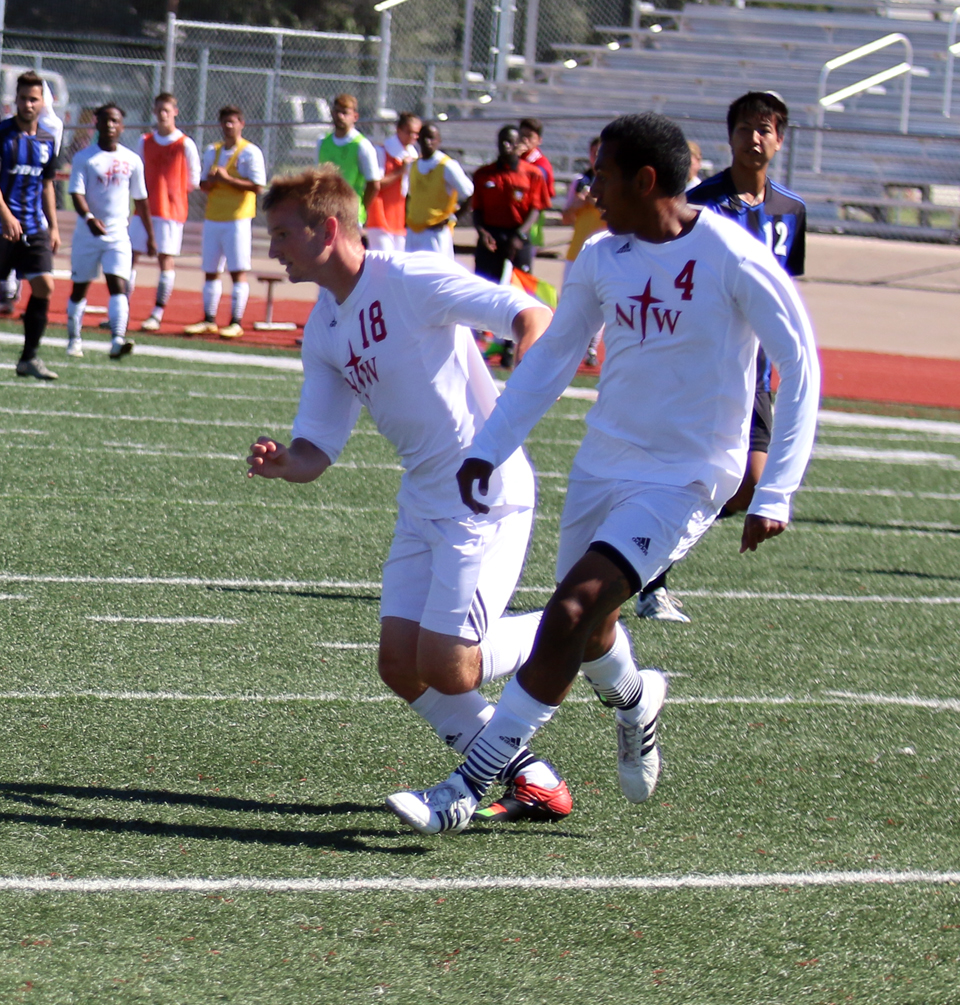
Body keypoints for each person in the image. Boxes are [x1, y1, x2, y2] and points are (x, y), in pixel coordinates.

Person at [385, 111, 820, 834]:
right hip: (602, 464)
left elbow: (801, 365)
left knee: (573, 611)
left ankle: (465, 786)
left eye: (602, 175)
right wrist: (489, 447)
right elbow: (555, 356)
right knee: (587, 632)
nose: (590, 189)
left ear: (646, 180)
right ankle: (636, 700)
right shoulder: (599, 254)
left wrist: (777, 487)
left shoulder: (731, 257)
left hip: (686, 477)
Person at [248, 168, 569, 823]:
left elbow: (531, 315)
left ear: (327, 229)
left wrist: (516, 400)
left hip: (486, 492)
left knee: (449, 668)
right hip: (424, 499)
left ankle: (581, 623)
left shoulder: (409, 278)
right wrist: (285, 462)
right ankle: (531, 777)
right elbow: (317, 450)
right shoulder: (325, 327)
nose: (273, 248)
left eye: (281, 233)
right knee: (400, 664)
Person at [634, 90, 809, 624]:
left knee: (748, 483)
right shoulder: (701, 202)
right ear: (729, 135)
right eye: (745, 129)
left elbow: (787, 290)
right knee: (688, 470)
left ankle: (644, 561)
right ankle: (648, 581)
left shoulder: (791, 211)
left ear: (779, 139)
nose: (754, 138)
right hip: (700, 361)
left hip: (753, 369)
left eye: (765, 129)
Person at [0, 71, 62, 379]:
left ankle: (29, 358)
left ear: (42, 102)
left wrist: (54, 226)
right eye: (22, 98)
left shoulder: (48, 139)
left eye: (33, 99)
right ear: (15, 101)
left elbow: (48, 184)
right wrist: (6, 215)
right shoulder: (0, 135)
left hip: (34, 226)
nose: (27, 104)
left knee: (44, 286)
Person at [65, 103, 151, 360]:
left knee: (118, 285)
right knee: (80, 288)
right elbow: (76, 193)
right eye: (105, 121)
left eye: (115, 121)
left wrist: (150, 235)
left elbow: (141, 199)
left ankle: (117, 339)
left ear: (122, 126)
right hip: (87, 234)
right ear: (97, 124)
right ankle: (74, 339)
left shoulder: (132, 160)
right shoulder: (84, 158)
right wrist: (89, 218)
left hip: (117, 234)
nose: (110, 125)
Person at [186, 105, 266, 338]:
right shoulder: (213, 151)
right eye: (224, 122)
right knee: (210, 270)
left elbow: (257, 186)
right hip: (213, 218)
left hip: (237, 219)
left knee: (237, 271)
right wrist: (210, 180)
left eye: (233, 122)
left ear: (242, 123)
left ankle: (236, 321)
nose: (228, 126)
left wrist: (228, 179)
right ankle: (209, 318)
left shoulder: (250, 152)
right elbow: (204, 185)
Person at [133, 92, 201, 331]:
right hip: (143, 211)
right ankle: (121, 308)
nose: (163, 114)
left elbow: (193, 179)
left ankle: (157, 312)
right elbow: (137, 173)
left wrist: (171, 194)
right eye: (159, 110)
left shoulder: (184, 144)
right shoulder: (145, 141)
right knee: (131, 256)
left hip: (170, 212)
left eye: (167, 110)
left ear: (175, 112)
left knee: (165, 260)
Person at [469, 124, 549, 283]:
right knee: (485, 286)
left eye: (510, 142)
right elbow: (477, 208)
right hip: (491, 236)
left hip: (518, 235)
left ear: (519, 144)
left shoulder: (533, 174)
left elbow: (536, 208)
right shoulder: (483, 174)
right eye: (502, 141)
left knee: (522, 288)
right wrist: (482, 233)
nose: (506, 145)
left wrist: (520, 235)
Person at [404, 121, 473, 258]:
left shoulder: (447, 165)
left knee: (436, 274)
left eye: (432, 138)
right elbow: (411, 196)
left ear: (439, 141)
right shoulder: (413, 166)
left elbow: (470, 194)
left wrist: (453, 217)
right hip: (413, 231)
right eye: (424, 137)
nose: (427, 142)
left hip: (435, 233)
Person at [315, 93, 383, 227]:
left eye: (345, 113)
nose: (340, 116)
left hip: (350, 216)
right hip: (326, 213)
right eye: (337, 112)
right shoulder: (322, 142)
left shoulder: (362, 145)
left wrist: (360, 208)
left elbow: (374, 184)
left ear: (355, 117)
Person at [364, 111, 421, 253]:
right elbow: (376, 184)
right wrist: (400, 170)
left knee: (398, 261)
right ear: (399, 130)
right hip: (380, 215)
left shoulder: (412, 154)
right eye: (409, 132)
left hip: (399, 216)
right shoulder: (382, 151)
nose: (413, 137)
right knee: (382, 259)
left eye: (416, 134)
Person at [561, 136, 604, 262]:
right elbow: (565, 219)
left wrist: (597, 204)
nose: (596, 157)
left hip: (602, 256)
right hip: (577, 253)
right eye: (593, 153)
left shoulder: (616, 184)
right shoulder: (579, 182)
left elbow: (620, 223)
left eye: (600, 153)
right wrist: (578, 204)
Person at [517, 117, 554, 249]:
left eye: (529, 136)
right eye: (521, 135)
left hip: (529, 222)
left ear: (539, 140)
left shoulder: (540, 165)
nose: (524, 140)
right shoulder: (515, 158)